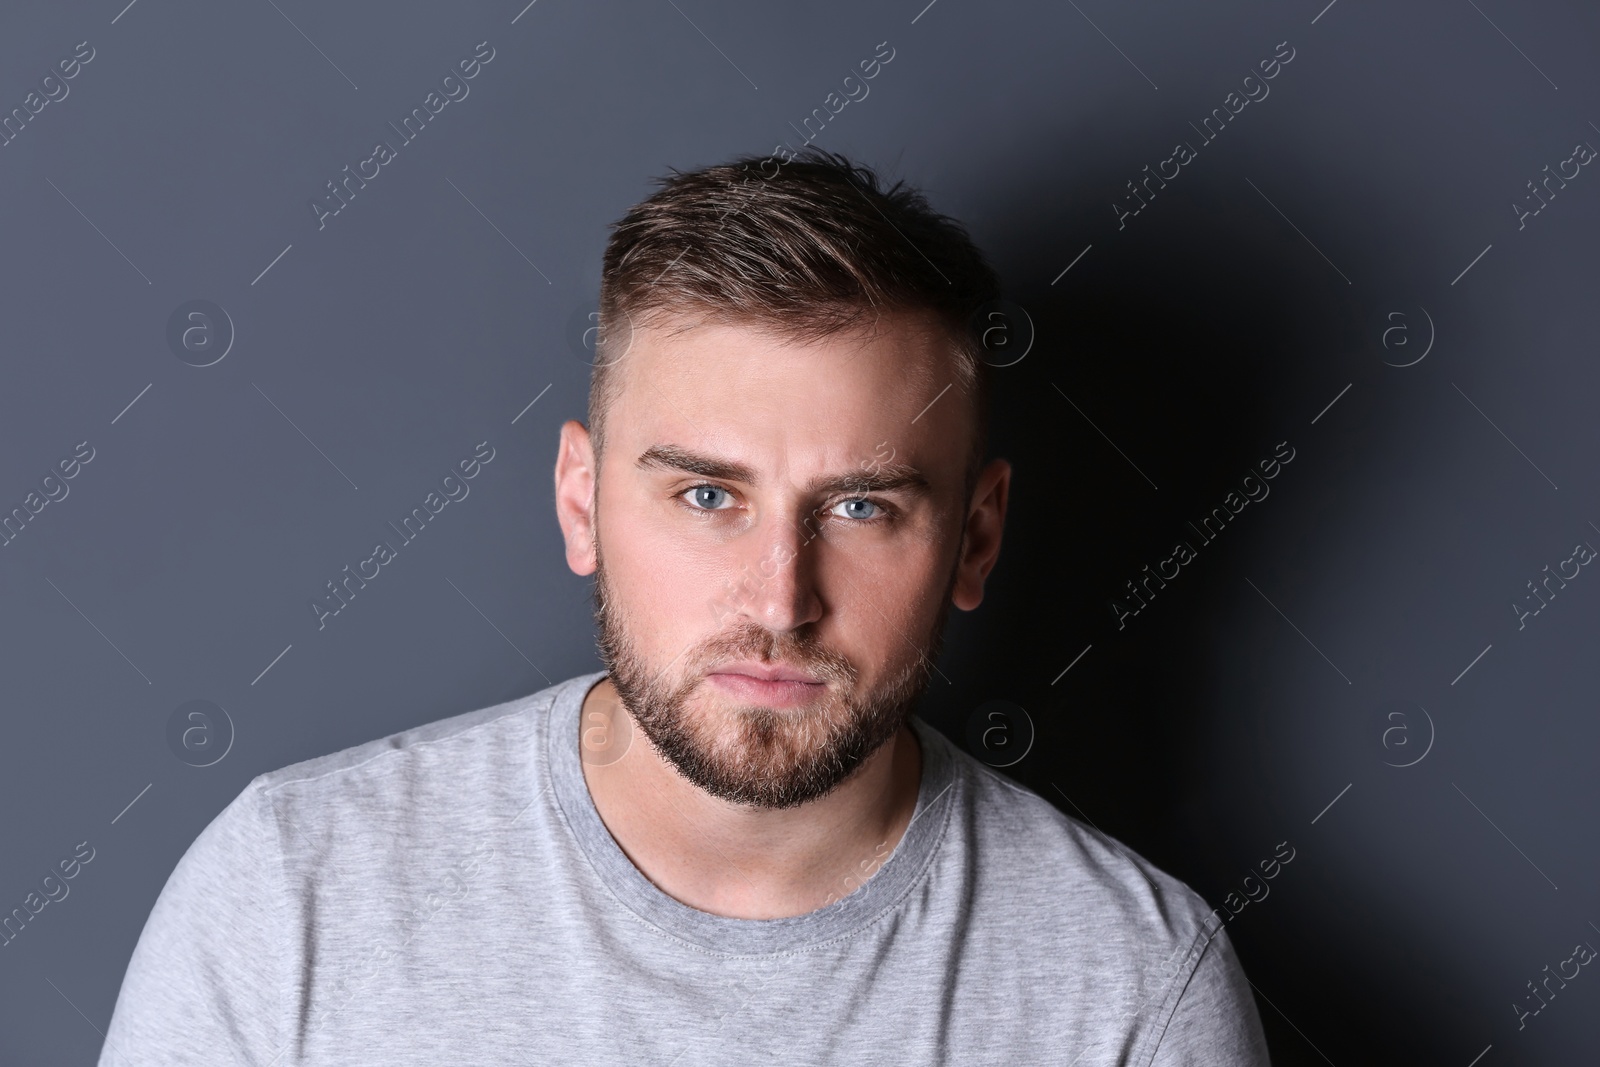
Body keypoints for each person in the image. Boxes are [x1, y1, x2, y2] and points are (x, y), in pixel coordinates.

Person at [99, 148, 1271, 1065]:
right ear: (582, 503)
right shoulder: (293, 892)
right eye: (708, 494)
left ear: (973, 537)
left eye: (860, 507)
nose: (780, 595)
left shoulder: (1127, 988)